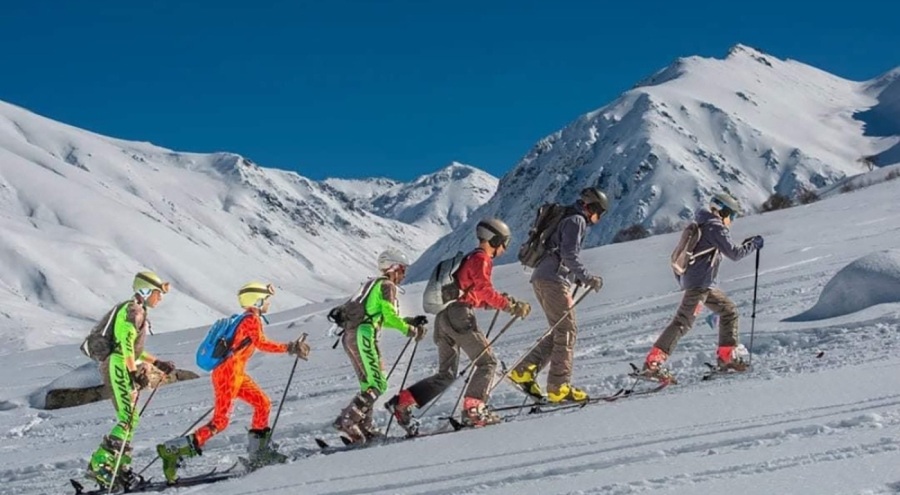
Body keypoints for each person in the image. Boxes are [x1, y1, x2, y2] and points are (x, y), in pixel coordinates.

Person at [156, 282, 310, 484]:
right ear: (257, 300)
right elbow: (262, 344)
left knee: (262, 403)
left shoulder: (244, 319)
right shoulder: (251, 320)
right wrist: (290, 347)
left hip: (234, 373)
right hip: (228, 374)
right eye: (266, 300)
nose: (269, 304)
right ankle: (174, 449)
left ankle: (259, 454)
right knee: (220, 421)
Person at [386, 218, 532, 431]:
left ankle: (402, 403)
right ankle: (474, 411)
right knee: (487, 362)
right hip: (459, 316)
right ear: (497, 239)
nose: (504, 248)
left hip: (444, 317)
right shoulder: (481, 259)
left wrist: (497, 303)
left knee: (446, 374)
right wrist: (510, 306)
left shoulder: (470, 258)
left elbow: (472, 294)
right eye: (505, 242)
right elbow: (484, 290)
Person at [642, 192, 764, 381]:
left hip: (702, 283)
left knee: (729, 311)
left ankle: (727, 357)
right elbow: (735, 254)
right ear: (723, 211)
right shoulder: (716, 227)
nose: (732, 219)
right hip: (700, 285)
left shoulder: (703, 223)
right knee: (682, 322)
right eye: (732, 215)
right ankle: (653, 363)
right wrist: (754, 244)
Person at [508, 187, 608, 403]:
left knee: (559, 331)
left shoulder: (569, 216)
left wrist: (576, 276)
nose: (599, 219)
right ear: (594, 208)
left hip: (544, 278)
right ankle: (559, 387)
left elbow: (561, 253)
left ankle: (523, 371)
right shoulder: (576, 220)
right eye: (601, 213)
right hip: (553, 280)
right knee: (567, 331)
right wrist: (587, 277)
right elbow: (568, 254)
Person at [86, 271, 176, 489]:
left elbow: (134, 350)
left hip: (121, 362)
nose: (160, 298)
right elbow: (125, 344)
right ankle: (99, 466)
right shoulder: (132, 310)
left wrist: (157, 362)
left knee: (131, 418)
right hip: (117, 364)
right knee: (127, 417)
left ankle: (120, 467)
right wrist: (132, 370)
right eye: (157, 293)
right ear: (145, 291)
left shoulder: (137, 311)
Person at [333, 249, 429, 444]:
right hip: (364, 334)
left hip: (351, 335)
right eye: (402, 270)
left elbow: (380, 317)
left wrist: (408, 321)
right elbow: (390, 315)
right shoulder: (387, 286)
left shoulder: (371, 284)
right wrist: (409, 330)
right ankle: (349, 420)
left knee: (368, 384)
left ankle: (364, 426)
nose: (404, 275)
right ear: (393, 268)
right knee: (378, 383)